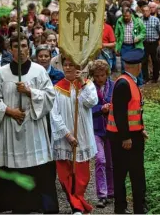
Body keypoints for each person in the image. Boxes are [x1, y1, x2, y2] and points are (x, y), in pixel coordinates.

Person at [0, 34, 59, 214]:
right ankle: (17, 207)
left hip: (33, 128)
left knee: (36, 170)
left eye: (24, 46)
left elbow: (50, 97)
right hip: (10, 127)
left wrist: (30, 92)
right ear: (10, 49)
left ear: (29, 48)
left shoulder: (39, 71)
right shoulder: (2, 73)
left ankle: (37, 205)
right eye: (16, 46)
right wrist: (10, 111)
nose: (20, 50)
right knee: (14, 172)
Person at [51, 56, 98, 215]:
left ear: (78, 67)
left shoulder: (87, 85)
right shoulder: (57, 88)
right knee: (65, 174)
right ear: (62, 66)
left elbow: (91, 102)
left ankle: (78, 199)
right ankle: (76, 206)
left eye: (72, 65)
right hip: (64, 139)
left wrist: (82, 84)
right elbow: (54, 115)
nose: (68, 68)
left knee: (81, 174)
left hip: (82, 136)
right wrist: (67, 135)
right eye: (66, 65)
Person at [107, 48, 148, 214]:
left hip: (133, 135)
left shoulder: (130, 82)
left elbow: (135, 110)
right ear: (137, 66)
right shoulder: (124, 83)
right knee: (123, 173)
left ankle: (139, 206)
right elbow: (120, 113)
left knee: (137, 173)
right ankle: (122, 207)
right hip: (123, 138)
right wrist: (126, 137)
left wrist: (141, 129)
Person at [88, 60, 114, 208]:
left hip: (111, 129)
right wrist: (100, 109)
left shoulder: (115, 86)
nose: (99, 78)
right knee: (100, 160)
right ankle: (102, 194)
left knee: (111, 162)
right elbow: (86, 108)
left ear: (107, 74)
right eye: (96, 76)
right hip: (96, 128)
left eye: (102, 75)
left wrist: (111, 107)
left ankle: (111, 191)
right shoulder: (89, 87)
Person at [114, 7, 146, 77]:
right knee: (124, 65)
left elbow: (143, 32)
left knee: (136, 65)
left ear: (131, 14)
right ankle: (125, 81)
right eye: (124, 16)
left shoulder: (137, 21)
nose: (126, 18)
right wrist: (117, 48)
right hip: (124, 46)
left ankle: (139, 84)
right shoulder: (119, 21)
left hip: (135, 46)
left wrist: (139, 37)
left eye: (127, 16)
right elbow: (117, 35)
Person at [141, 3, 160, 84]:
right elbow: (135, 30)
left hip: (154, 43)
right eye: (144, 11)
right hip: (144, 43)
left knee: (155, 61)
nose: (145, 12)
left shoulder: (155, 19)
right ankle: (145, 77)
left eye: (147, 11)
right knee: (144, 61)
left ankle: (155, 77)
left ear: (150, 11)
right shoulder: (139, 20)